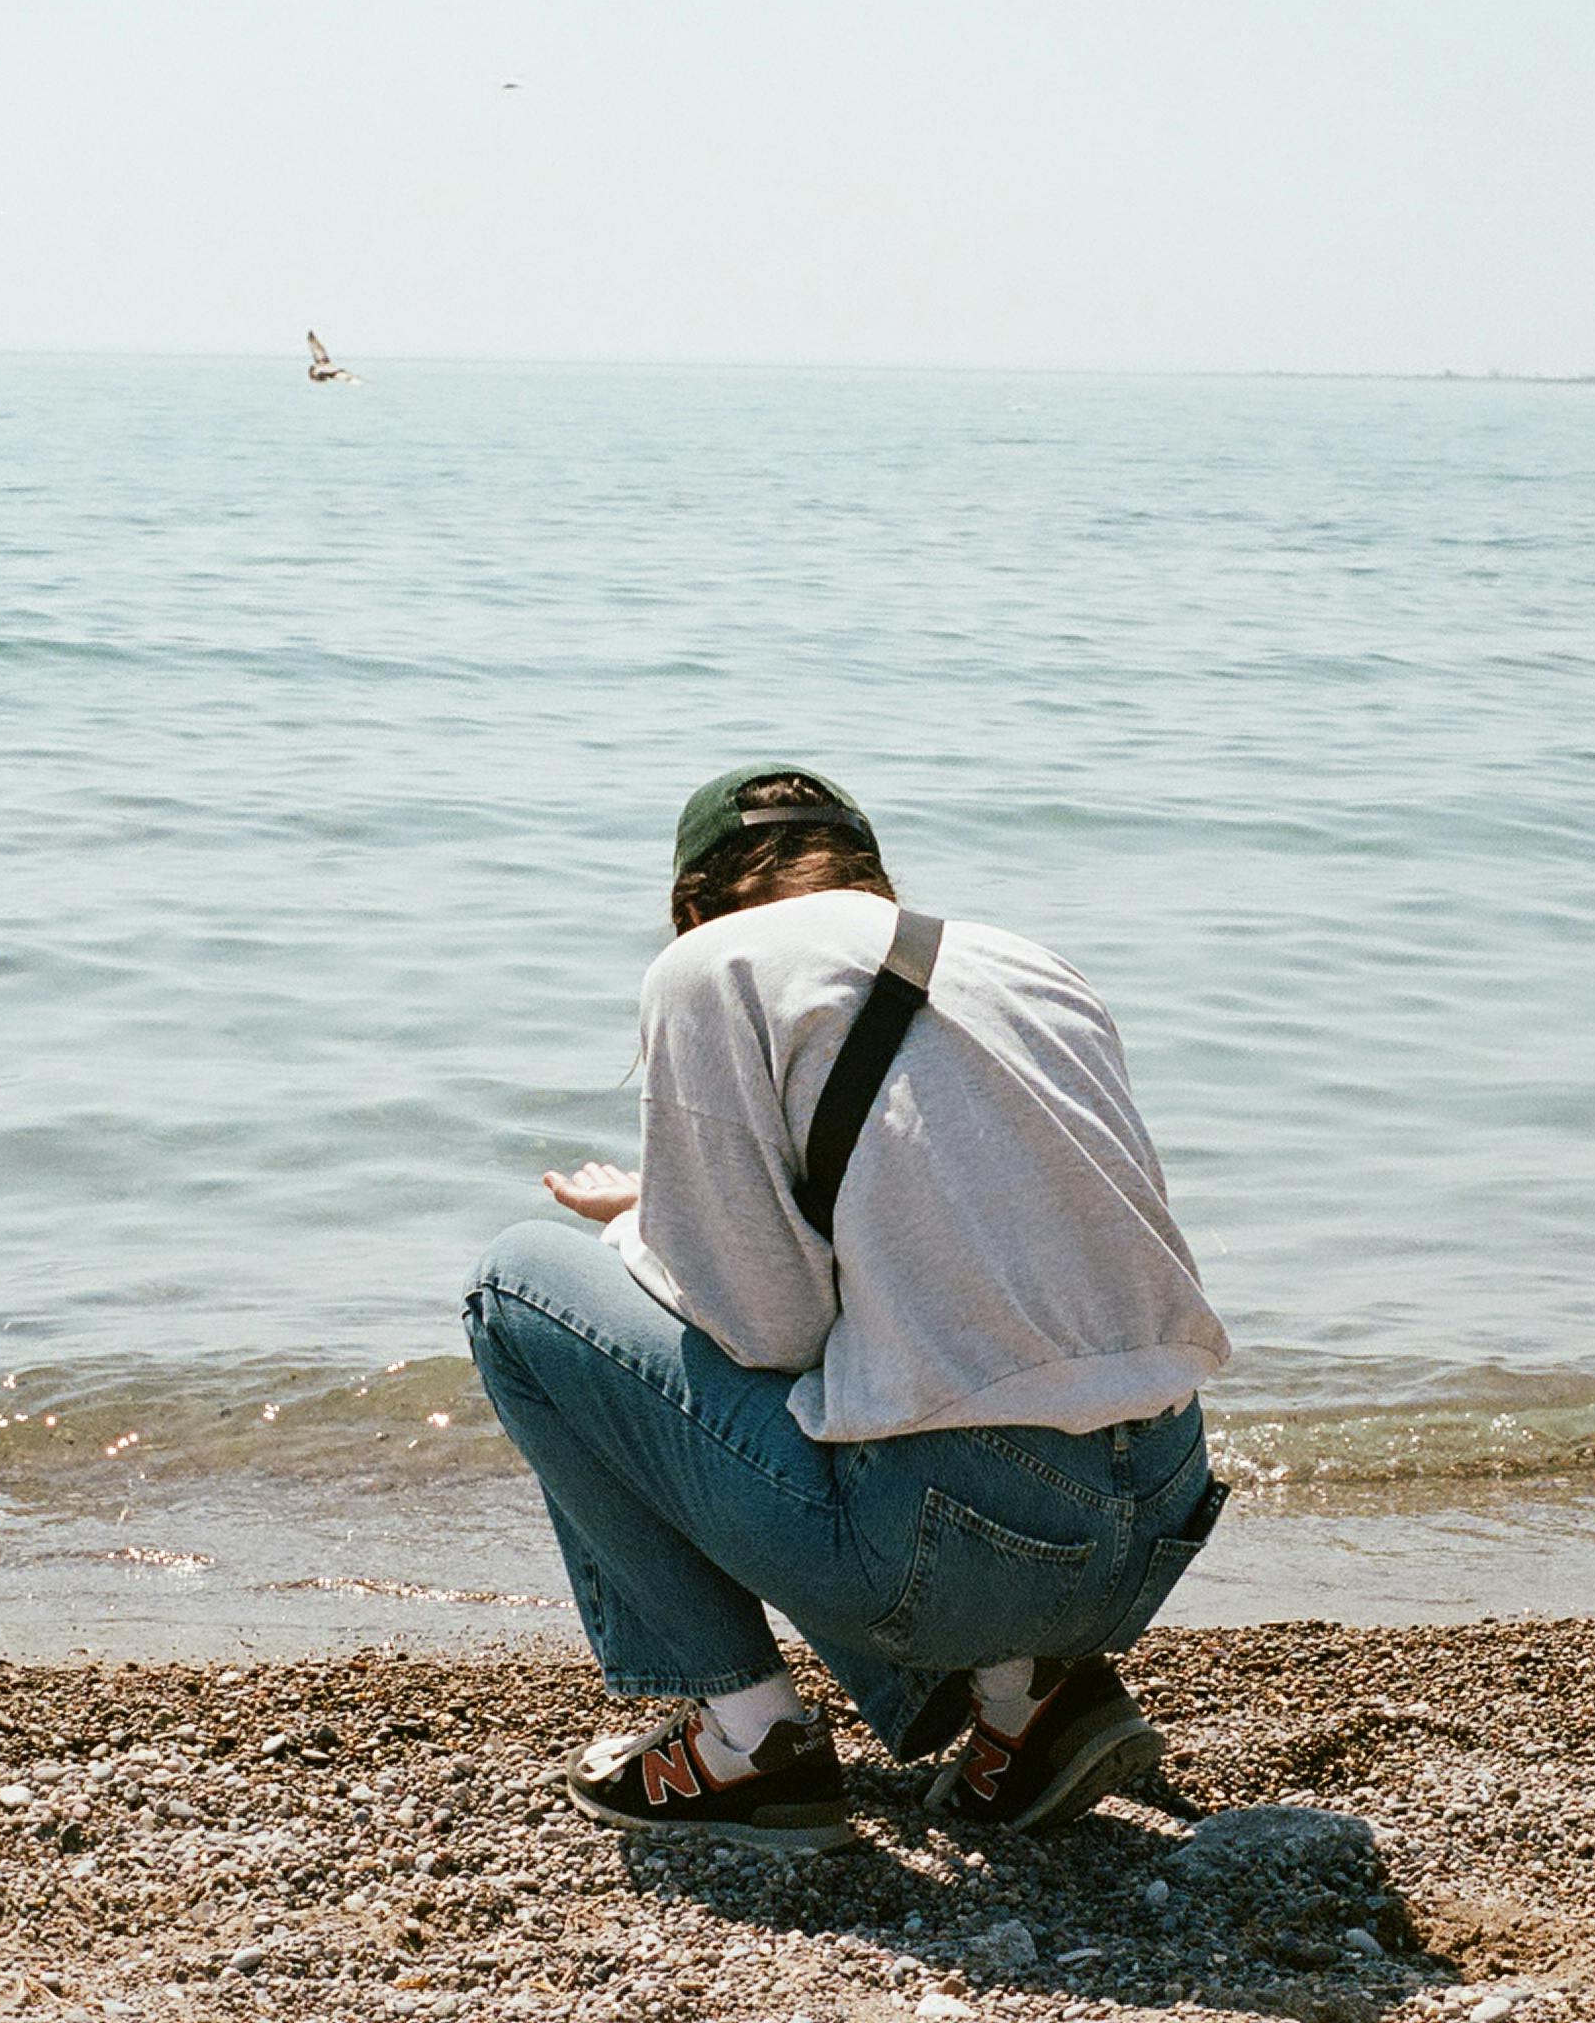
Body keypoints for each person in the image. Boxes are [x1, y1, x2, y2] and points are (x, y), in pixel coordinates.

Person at [462, 762, 1231, 1851]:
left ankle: (747, 1737)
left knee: (514, 1284)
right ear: (869, 876)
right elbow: (963, 1227)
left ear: (691, 905)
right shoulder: (1026, 959)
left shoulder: (708, 965)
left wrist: (644, 1230)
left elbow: (758, 1326)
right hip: (1153, 1516)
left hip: (962, 1550)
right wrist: (681, 1203)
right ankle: (1027, 1700)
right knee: (915, 1353)